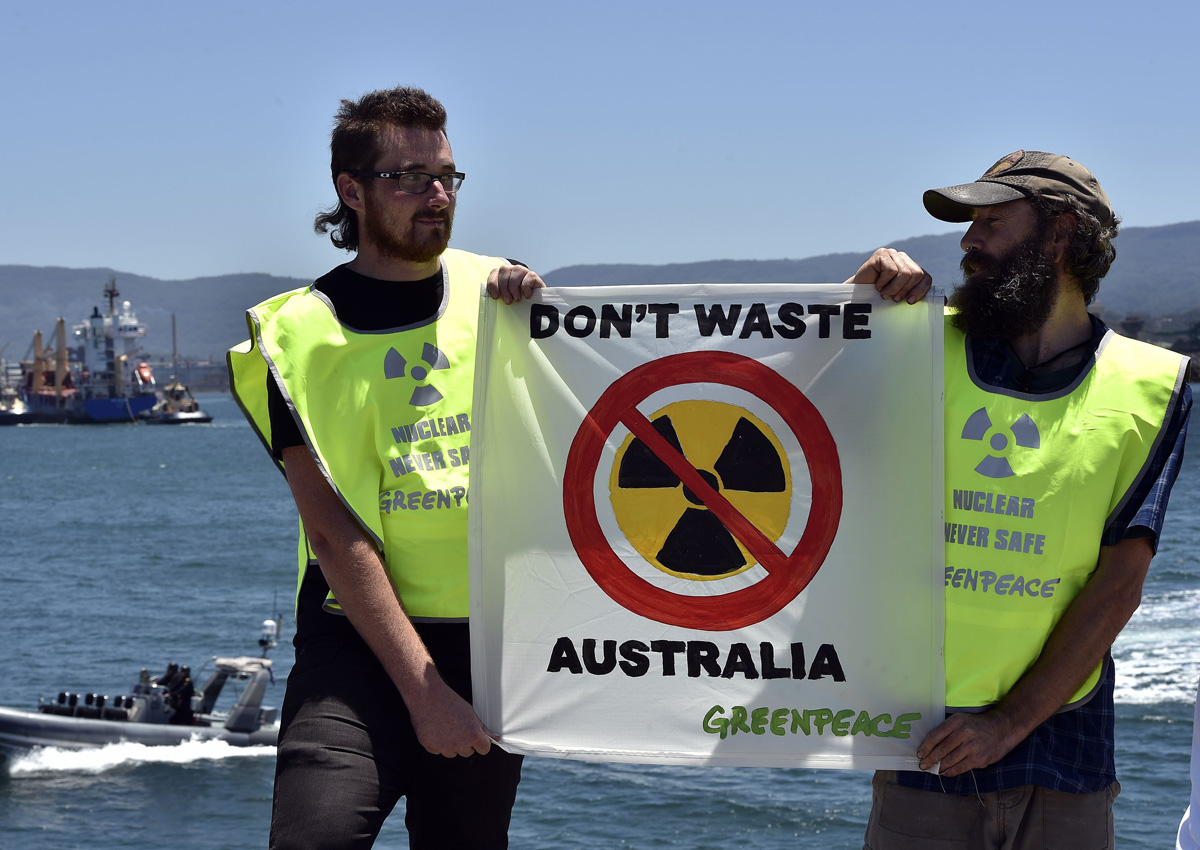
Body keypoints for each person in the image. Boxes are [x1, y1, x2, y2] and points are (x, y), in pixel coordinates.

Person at [848, 150, 1192, 849]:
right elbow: (788, 411)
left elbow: (1119, 582)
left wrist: (1007, 723)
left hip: (1065, 745)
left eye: (992, 222)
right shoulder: (914, 345)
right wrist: (851, 311)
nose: (967, 242)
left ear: (1060, 233)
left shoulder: (1152, 386)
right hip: (924, 737)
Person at [228, 86, 542, 849]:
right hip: (354, 644)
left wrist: (545, 319)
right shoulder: (296, 336)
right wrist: (426, 693)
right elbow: (333, 535)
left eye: (447, 176)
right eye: (409, 178)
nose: (438, 195)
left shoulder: (499, 294)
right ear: (352, 190)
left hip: (489, 643)